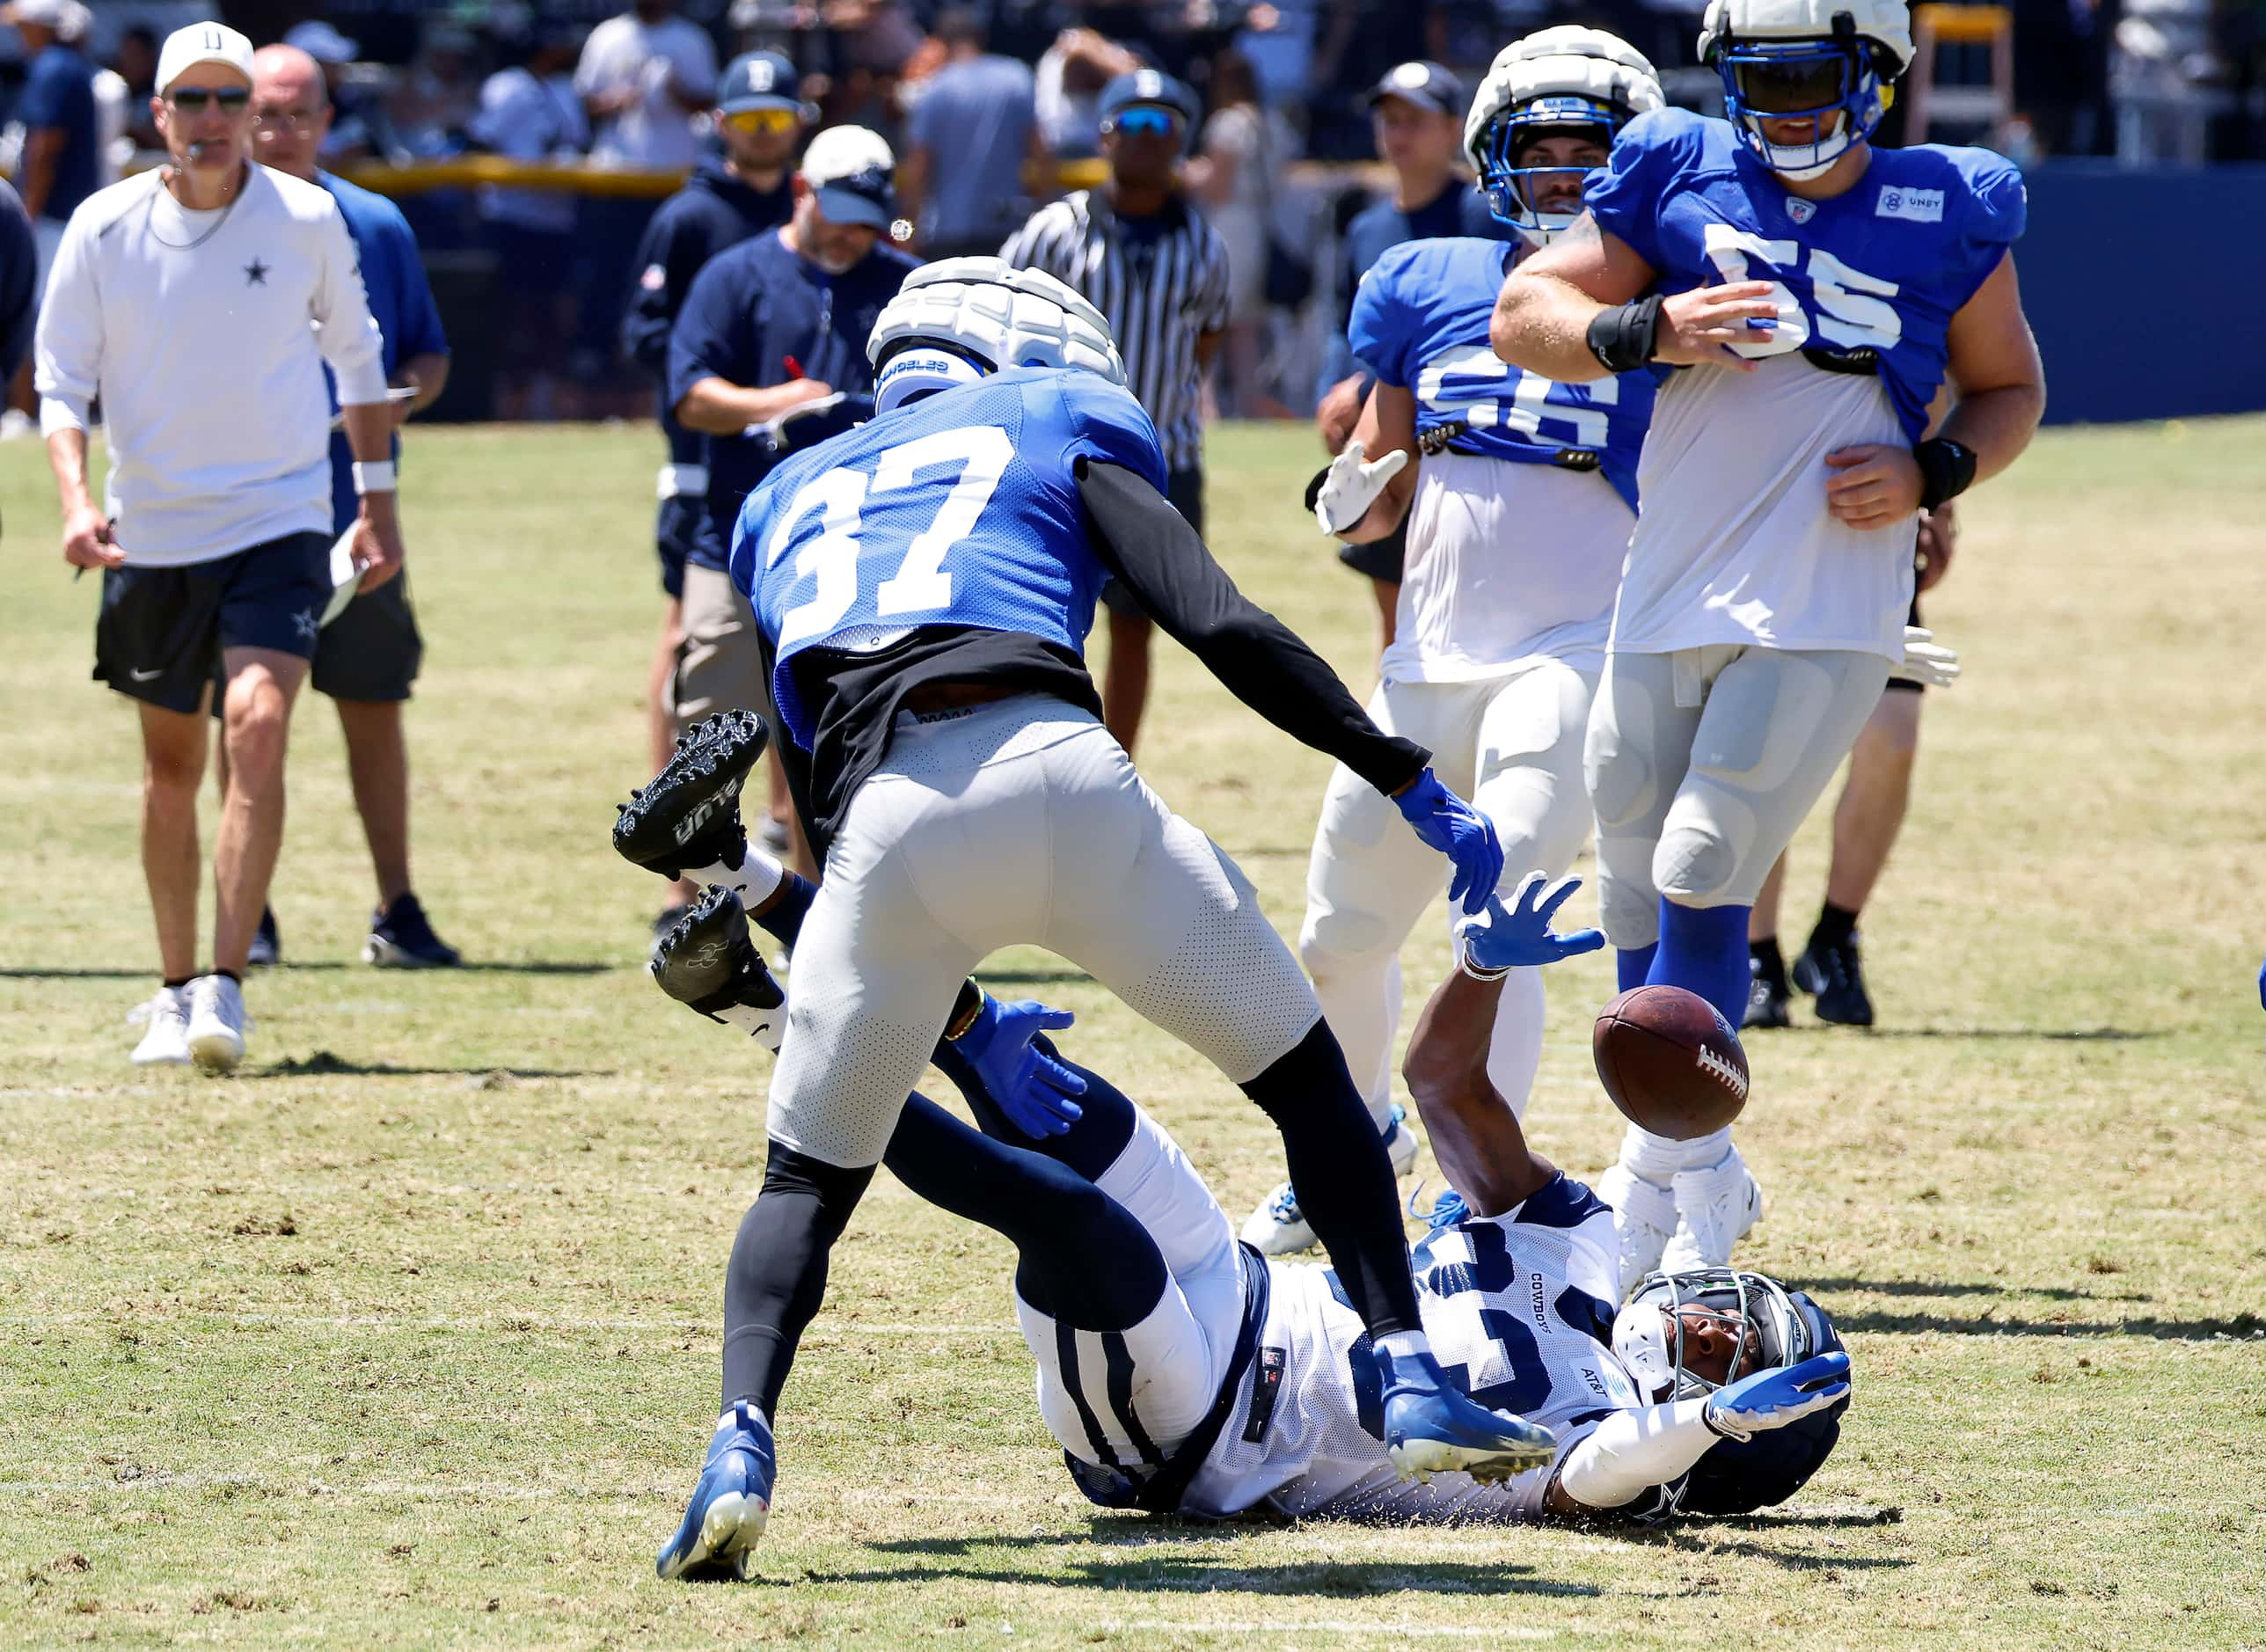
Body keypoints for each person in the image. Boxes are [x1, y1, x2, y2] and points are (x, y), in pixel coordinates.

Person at [611, 259, 1548, 1578]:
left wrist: (924, 999)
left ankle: (739, 1442)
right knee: (1309, 1085)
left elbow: (825, 789)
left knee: (803, 1182)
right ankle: (1403, 1368)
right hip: (1059, 764)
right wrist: (1400, 770)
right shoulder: (1054, 414)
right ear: (1026, 350)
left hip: (884, 822)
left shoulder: (780, 497)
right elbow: (1214, 616)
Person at [644, 839, 1853, 1538]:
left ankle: (760, 1012)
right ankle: (744, 872)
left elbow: (1599, 1474)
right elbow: (1442, 1083)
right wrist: (1480, 964)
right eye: (1735, 1307)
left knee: (1068, 1219)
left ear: (1720, 1417)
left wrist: (1708, 1421)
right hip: (1243, 1284)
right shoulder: (1585, 1239)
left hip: (1209, 1429)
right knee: (1070, 1103)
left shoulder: (1620, 1455)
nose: (1713, 1305)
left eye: (1724, 1337)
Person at [1490, 0, 2046, 1272]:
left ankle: (1646, 1213)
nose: (1788, 101)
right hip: (1672, 566)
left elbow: (2013, 385)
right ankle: (1698, 1171)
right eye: (1763, 74)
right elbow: (1526, 311)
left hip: (1824, 582)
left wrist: (1937, 469)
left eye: (1814, 72)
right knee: (1628, 858)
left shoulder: (1945, 202)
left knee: (1704, 853)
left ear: (1878, 73)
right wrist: (1645, 328)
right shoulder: (1676, 162)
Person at [1246, 28, 1669, 1258]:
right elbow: (1378, 484)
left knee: (1509, 895)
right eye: (1534, 153)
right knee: (1339, 936)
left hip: (1577, 646)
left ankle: (1482, 1171)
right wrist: (1352, 488)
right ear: (1493, 161)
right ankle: (1355, 1139)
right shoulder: (1427, 277)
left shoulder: (1669, 305)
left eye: (1586, 152)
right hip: (1426, 659)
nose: (1558, 177)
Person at [34, 21, 404, 1069]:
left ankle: (226, 989)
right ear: (157, 114)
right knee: (169, 764)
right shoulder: (104, 227)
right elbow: (60, 380)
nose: (209, 120)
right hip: (151, 530)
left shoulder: (306, 218)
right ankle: (172, 985)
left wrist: (374, 505)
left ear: (254, 115)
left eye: (227, 102)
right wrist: (73, 500)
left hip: (280, 519)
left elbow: (360, 362)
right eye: (188, 101)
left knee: (257, 720)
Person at [233, 42, 457, 969]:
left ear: (328, 121)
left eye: (298, 113)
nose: (281, 130)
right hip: (244, 514)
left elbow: (427, 359)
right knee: (247, 715)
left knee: (372, 703)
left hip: (356, 507)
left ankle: (395, 909)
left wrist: (380, 404)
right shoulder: (209, 224)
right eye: (265, 113)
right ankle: (249, 914)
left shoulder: (375, 223)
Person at [663, 123, 917, 885]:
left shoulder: (906, 283)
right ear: (803, 192)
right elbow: (690, 396)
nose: (856, 235)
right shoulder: (733, 275)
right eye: (841, 212)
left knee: (839, 737)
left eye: (869, 218)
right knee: (709, 725)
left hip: (861, 542)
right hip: (737, 532)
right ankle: (691, 895)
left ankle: (827, 906)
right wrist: (782, 404)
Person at [620, 49, 811, 927]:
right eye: (750, 121)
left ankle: (784, 830)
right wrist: (730, 390)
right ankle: (678, 862)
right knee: (692, 643)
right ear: (721, 123)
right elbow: (647, 336)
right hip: (707, 462)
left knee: (795, 655)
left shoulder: (816, 213)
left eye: (778, 121)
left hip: (801, 465)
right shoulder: (690, 218)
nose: (764, 137)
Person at [998, 70, 1230, 756]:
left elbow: (1203, 344)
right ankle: (1029, 757)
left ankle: (1112, 767)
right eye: (1132, 124)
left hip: (1159, 459)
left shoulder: (1203, 245)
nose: (1146, 141)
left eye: (1162, 127)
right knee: (1035, 618)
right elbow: (999, 317)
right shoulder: (1054, 231)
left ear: (1183, 140)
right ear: (1104, 134)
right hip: (1052, 459)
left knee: (1134, 626)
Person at [1315, 61, 1509, 654]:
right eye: (1390, 120)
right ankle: (1399, 740)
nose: (1400, 134)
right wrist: (1335, 391)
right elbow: (1344, 328)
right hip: (1387, 441)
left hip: (1459, 433)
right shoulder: (1368, 227)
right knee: (1396, 617)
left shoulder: (1484, 215)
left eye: (1417, 121)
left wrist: (1371, 390)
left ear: (1455, 130)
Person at [1746, 506, 1959, 1028]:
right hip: (1763, 541)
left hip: (1873, 543)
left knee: (1892, 736)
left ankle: (1835, 938)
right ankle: (1757, 956)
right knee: (1762, 742)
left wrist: (1941, 497)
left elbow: (1928, 422)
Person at [575, 0, 719, 379]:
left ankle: (671, 356)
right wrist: (615, 100)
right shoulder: (608, 35)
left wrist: (676, 92)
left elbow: (711, 101)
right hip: (616, 177)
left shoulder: (689, 38)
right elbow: (585, 101)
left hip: (672, 178)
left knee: (672, 275)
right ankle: (599, 355)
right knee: (609, 270)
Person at [469, 19, 589, 420]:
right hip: (511, 216)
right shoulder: (506, 85)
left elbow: (577, 142)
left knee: (551, 312)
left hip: (556, 217)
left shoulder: (564, 88)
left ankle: (544, 401)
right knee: (511, 313)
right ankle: (504, 402)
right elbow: (482, 140)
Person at [1189, 48, 1295, 416]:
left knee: (1209, 322)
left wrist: (1185, 175)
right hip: (1261, 225)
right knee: (1246, 332)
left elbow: (1217, 186)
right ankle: (1248, 406)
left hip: (1228, 227)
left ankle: (1207, 411)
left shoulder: (1227, 124)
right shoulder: (1272, 122)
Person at [897, 7, 1039, 262]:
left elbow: (918, 171)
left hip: (947, 234)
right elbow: (1042, 154)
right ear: (981, 37)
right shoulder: (1016, 78)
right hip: (1009, 228)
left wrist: (908, 232)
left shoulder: (934, 90)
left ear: (941, 42)